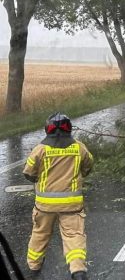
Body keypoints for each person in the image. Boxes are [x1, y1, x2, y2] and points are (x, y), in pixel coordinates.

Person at [23, 113, 94, 280]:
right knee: (74, 236)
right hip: (71, 204)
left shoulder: (40, 149)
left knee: (40, 233)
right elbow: (88, 166)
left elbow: (28, 173)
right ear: (69, 128)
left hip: (44, 205)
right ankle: (78, 270)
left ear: (47, 129)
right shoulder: (79, 148)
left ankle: (34, 267)